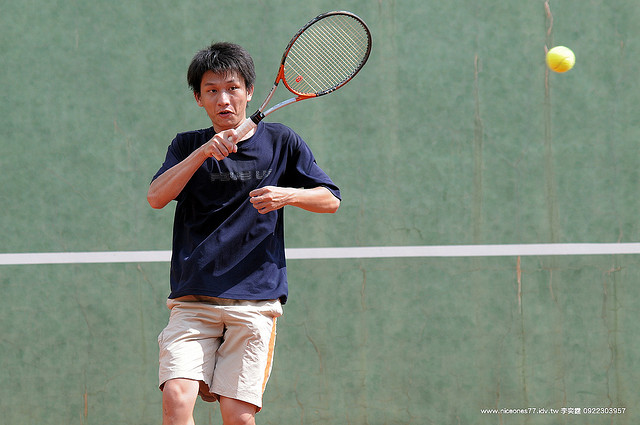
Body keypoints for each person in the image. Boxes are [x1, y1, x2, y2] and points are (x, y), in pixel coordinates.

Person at [147, 41, 341, 425]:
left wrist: (288, 194)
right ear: (198, 99)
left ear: (249, 92)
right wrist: (204, 152)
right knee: (176, 397)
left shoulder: (282, 142)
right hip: (193, 299)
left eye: (232, 88)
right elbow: (156, 197)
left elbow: (330, 199)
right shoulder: (186, 145)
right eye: (212, 91)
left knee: (237, 417)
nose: (223, 99)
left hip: (254, 302)